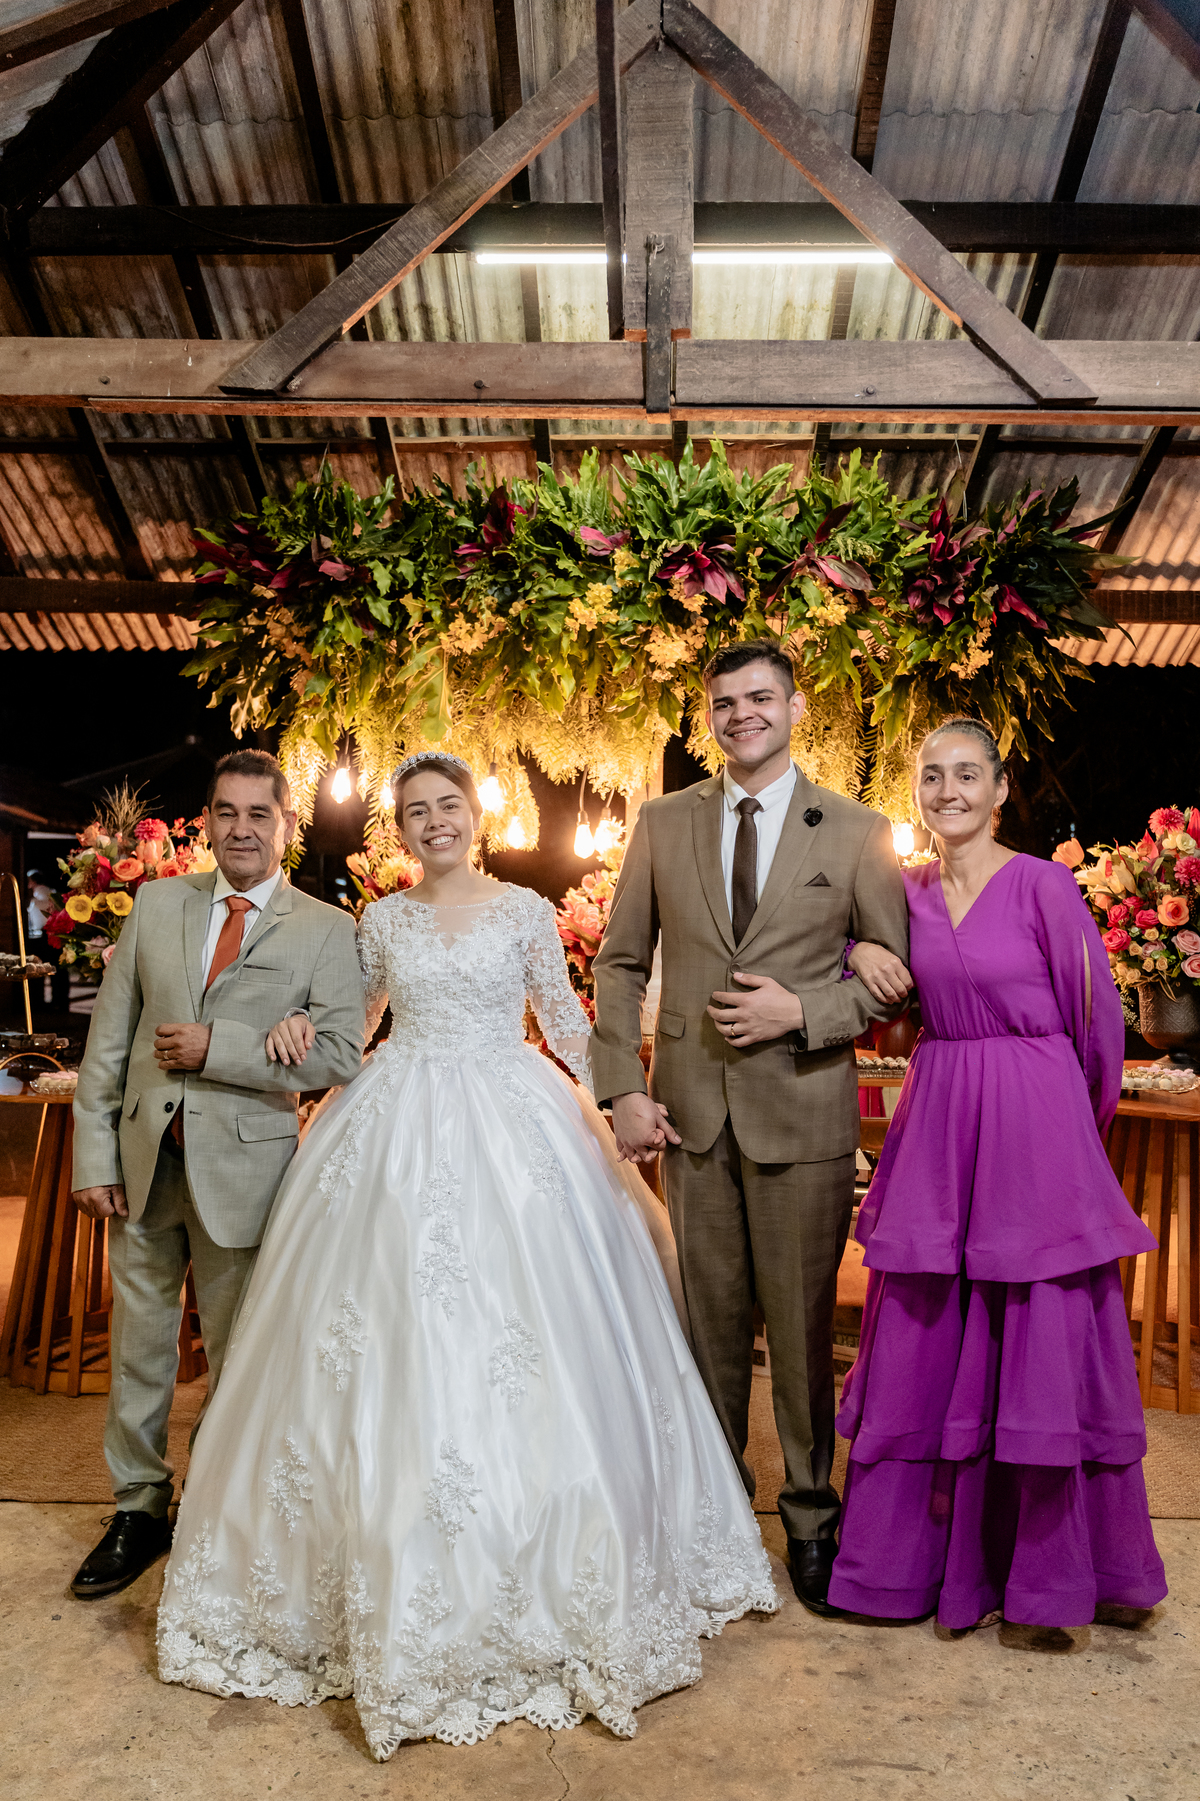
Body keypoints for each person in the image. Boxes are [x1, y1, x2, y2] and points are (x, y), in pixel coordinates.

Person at [156, 753, 777, 1758]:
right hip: (394, 1114)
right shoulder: (381, 922)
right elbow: (356, 1023)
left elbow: (566, 1021)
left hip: (513, 1109)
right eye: (415, 811)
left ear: (475, 816)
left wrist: (619, 1098)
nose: (433, 821)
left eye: (448, 805)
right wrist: (305, 1026)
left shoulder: (525, 911)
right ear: (398, 829)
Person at [590, 640, 909, 1616]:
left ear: (796, 706)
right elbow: (619, 963)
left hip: (803, 1112)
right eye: (725, 702)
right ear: (710, 716)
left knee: (805, 1332)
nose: (743, 714)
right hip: (687, 1114)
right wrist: (620, 1086)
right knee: (708, 1328)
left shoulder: (856, 830)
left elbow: (893, 974)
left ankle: (810, 1518)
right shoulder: (661, 822)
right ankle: (716, 1513)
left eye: (761, 696)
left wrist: (803, 1011)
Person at [829, 716, 1167, 1631]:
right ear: (917, 791)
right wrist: (860, 950)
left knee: (1040, 1332)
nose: (949, 791)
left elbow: (1097, 1029)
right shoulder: (903, 892)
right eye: (933, 775)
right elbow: (841, 951)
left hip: (1036, 1128)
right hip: (941, 1126)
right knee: (927, 1329)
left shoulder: (1045, 885)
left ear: (1001, 787)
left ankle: (1049, 1577)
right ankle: (909, 1568)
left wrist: (1067, 1147)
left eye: (967, 773)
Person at [69, 751, 365, 1600]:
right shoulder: (157, 905)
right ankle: (138, 1507)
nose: (241, 829)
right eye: (226, 813)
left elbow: (341, 1052)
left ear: (286, 825)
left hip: (249, 1175)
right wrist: (94, 1155)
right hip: (143, 1163)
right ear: (207, 821)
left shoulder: (324, 928)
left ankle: (215, 1507)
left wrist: (220, 1048)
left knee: (239, 1355)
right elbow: (110, 1041)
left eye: (258, 814)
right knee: (140, 1348)